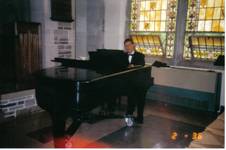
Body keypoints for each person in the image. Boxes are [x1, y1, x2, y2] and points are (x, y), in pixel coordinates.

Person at [123, 38, 146, 124]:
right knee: (130, 99)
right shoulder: (122, 56)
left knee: (139, 99)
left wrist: (133, 66)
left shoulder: (140, 56)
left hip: (138, 81)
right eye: (126, 46)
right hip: (126, 81)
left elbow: (141, 66)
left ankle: (140, 117)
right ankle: (129, 114)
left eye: (129, 45)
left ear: (133, 45)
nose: (127, 47)